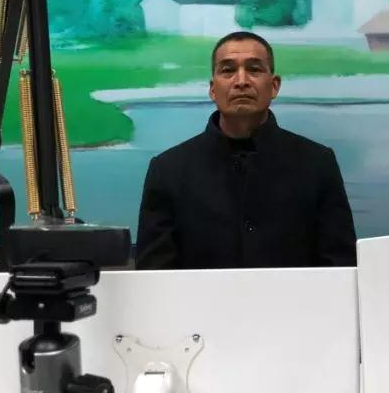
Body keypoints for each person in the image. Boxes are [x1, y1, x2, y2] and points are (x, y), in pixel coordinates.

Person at [135, 31, 356, 269]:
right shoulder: (168, 170)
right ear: (212, 89)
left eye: (254, 69)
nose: (241, 81)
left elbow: (341, 265)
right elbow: (153, 274)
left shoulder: (317, 164)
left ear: (274, 86)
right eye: (228, 70)